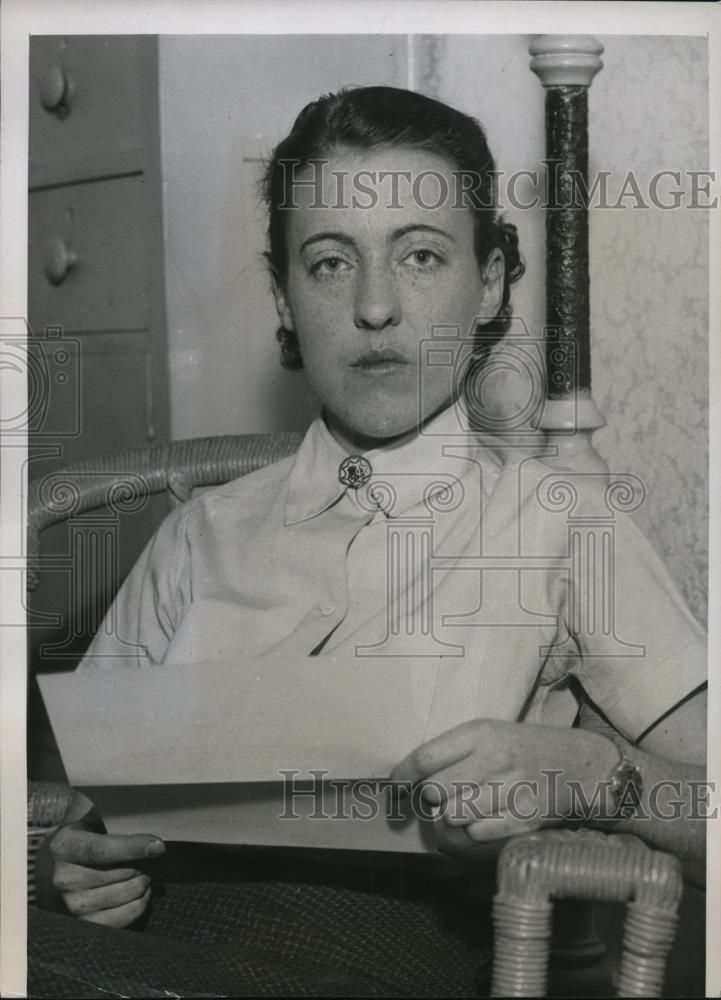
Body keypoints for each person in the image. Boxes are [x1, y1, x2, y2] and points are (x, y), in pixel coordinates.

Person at [32, 86, 707, 997]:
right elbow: (76, 817)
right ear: (283, 295)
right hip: (140, 959)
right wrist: (74, 864)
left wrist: (592, 773)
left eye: (421, 256)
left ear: (492, 284)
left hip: (380, 962)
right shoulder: (200, 534)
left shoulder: (560, 522)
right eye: (328, 264)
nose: (376, 308)